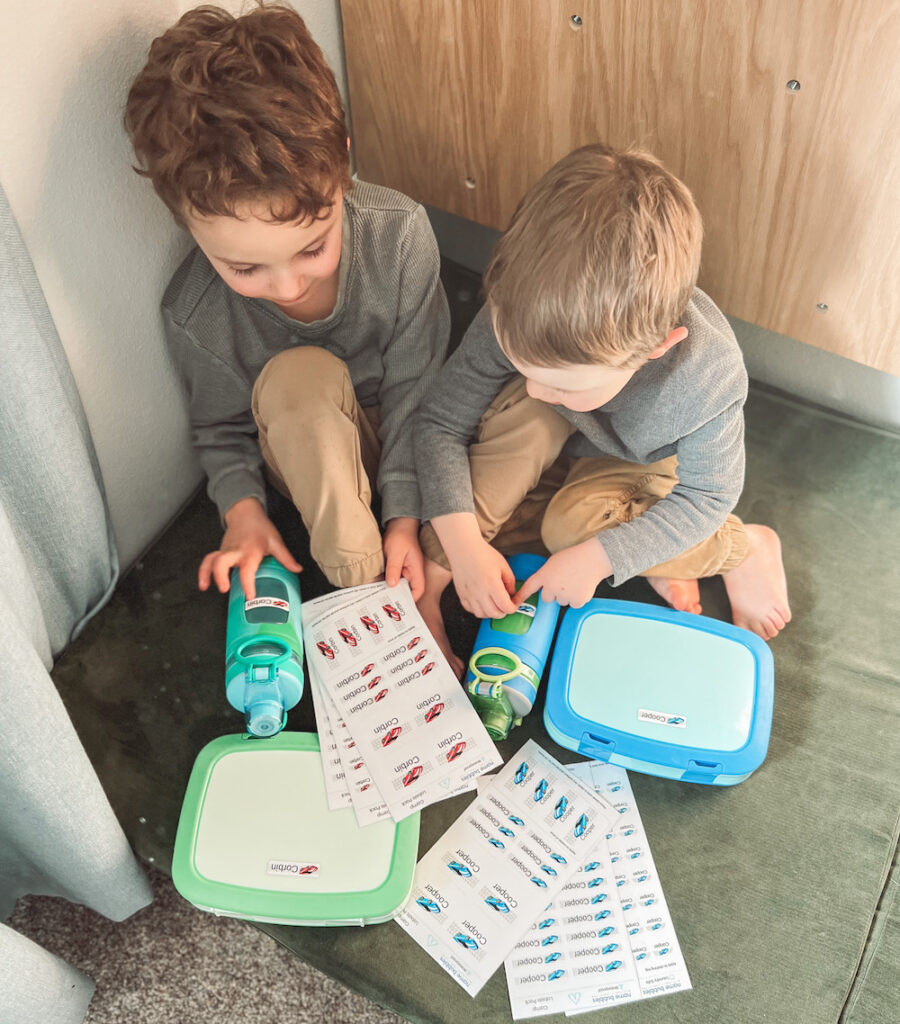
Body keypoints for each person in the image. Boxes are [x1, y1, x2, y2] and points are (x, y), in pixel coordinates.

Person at [414, 143, 790, 674]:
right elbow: (441, 423)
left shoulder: (707, 376)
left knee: (568, 533)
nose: (539, 389)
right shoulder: (521, 307)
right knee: (515, 451)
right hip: (569, 443)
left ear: (656, 346)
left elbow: (707, 495)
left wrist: (599, 559)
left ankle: (743, 548)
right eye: (525, 367)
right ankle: (432, 589)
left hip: (641, 464)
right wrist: (461, 548)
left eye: (564, 384)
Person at [125, 3, 449, 600]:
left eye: (312, 247)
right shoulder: (195, 312)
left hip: (416, 437)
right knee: (301, 377)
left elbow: (418, 391)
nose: (289, 288)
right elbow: (221, 428)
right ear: (185, 225)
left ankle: (415, 568)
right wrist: (242, 513)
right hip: (309, 463)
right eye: (244, 267)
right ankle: (368, 591)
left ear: (343, 167)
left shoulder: (399, 234)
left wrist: (404, 518)